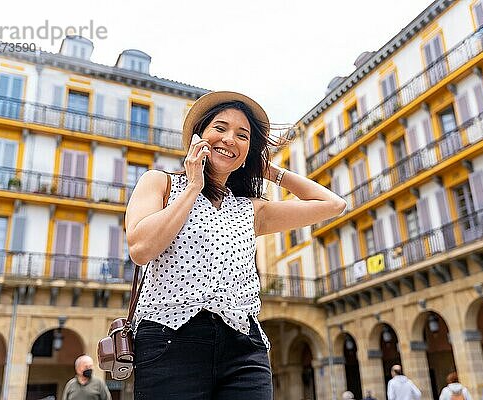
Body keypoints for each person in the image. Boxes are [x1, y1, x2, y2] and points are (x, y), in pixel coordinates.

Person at [126, 91, 346, 400]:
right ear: (197, 137)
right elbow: (141, 248)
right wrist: (192, 188)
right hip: (170, 340)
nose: (230, 138)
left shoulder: (251, 209)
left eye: (242, 136)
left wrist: (268, 169)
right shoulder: (160, 183)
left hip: (243, 347)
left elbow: (333, 204)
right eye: (220, 128)